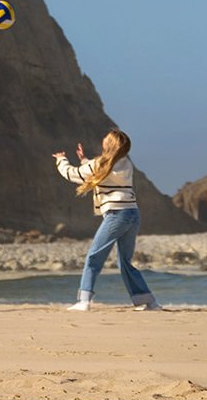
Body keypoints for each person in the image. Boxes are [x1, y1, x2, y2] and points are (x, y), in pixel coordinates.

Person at [53, 128, 161, 312]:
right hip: (133, 213)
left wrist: (61, 160)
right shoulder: (125, 163)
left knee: (94, 256)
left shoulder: (101, 163)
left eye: (105, 138)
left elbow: (73, 174)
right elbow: (103, 172)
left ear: (110, 144)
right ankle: (150, 302)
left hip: (117, 215)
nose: (103, 139)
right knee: (124, 262)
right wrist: (85, 161)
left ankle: (84, 301)